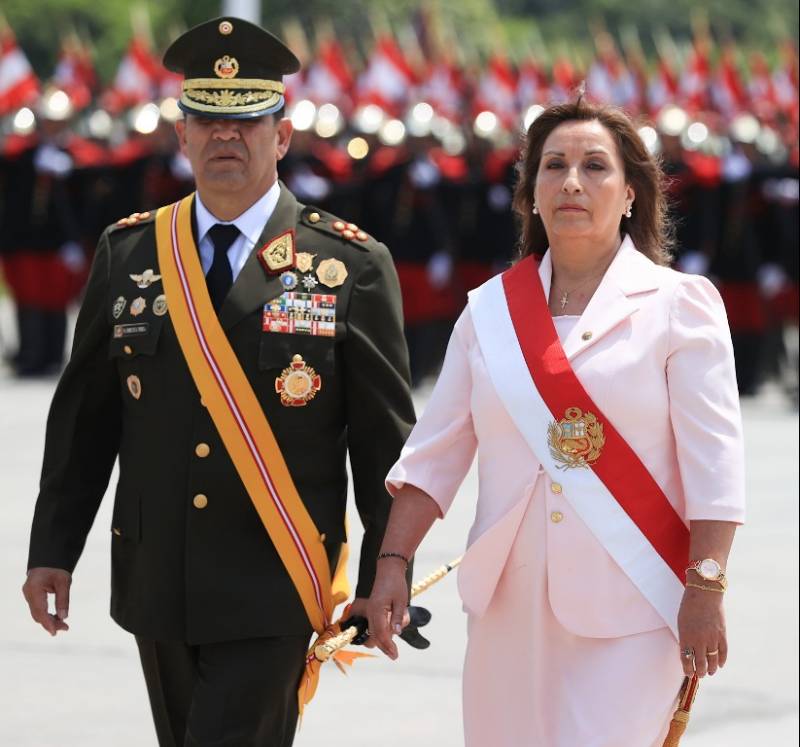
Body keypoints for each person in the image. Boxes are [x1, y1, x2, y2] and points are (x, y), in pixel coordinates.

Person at [23, 17, 415, 747]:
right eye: (206, 119)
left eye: (247, 120)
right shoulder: (131, 250)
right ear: (182, 135)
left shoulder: (348, 265)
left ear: (283, 135)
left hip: (275, 574)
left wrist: (386, 569)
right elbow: (85, 422)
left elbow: (383, 442)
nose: (225, 136)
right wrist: (53, 548)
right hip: (157, 573)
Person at [367, 97, 746, 746]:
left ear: (631, 194)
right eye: (554, 166)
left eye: (595, 166)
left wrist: (706, 587)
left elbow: (715, 464)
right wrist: (393, 561)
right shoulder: (488, 313)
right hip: (507, 608)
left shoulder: (680, 305)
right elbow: (434, 456)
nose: (572, 181)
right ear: (531, 194)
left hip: (634, 603)